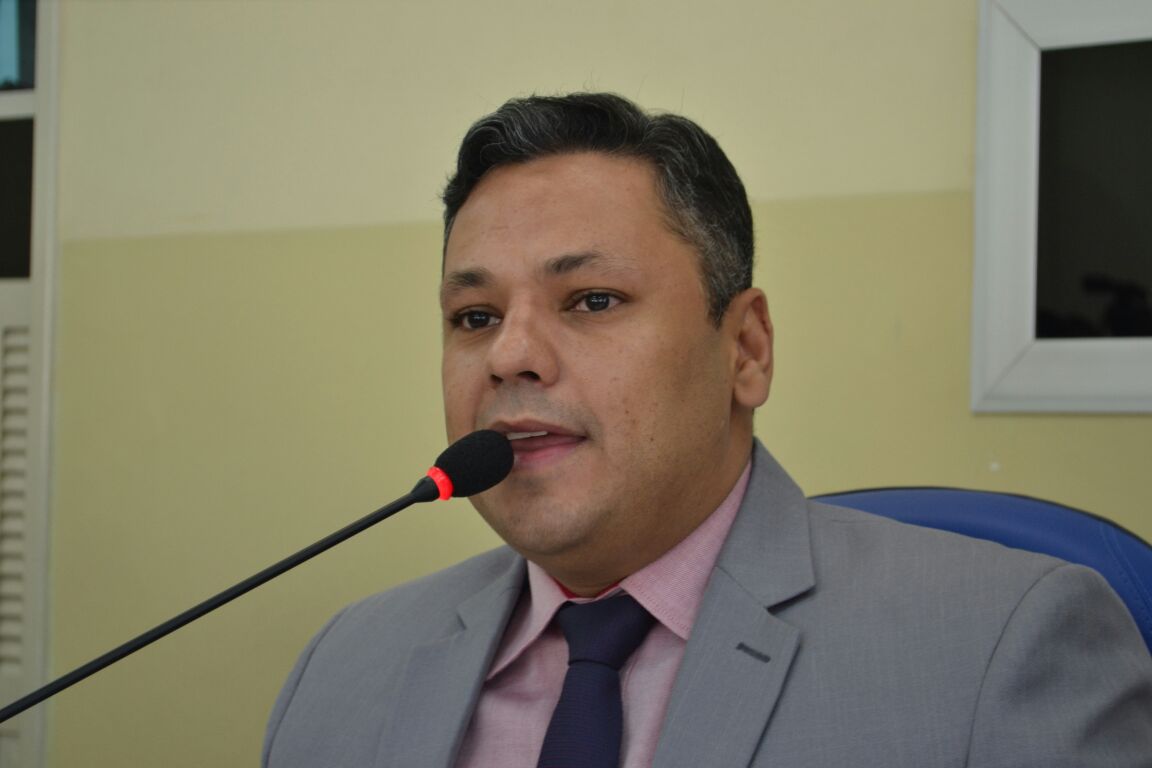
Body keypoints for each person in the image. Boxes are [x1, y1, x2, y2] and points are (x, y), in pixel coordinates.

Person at [263, 93, 1152, 767]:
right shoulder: (344, 665)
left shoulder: (1002, 648)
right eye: (474, 317)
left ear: (746, 350)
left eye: (592, 300)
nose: (510, 356)